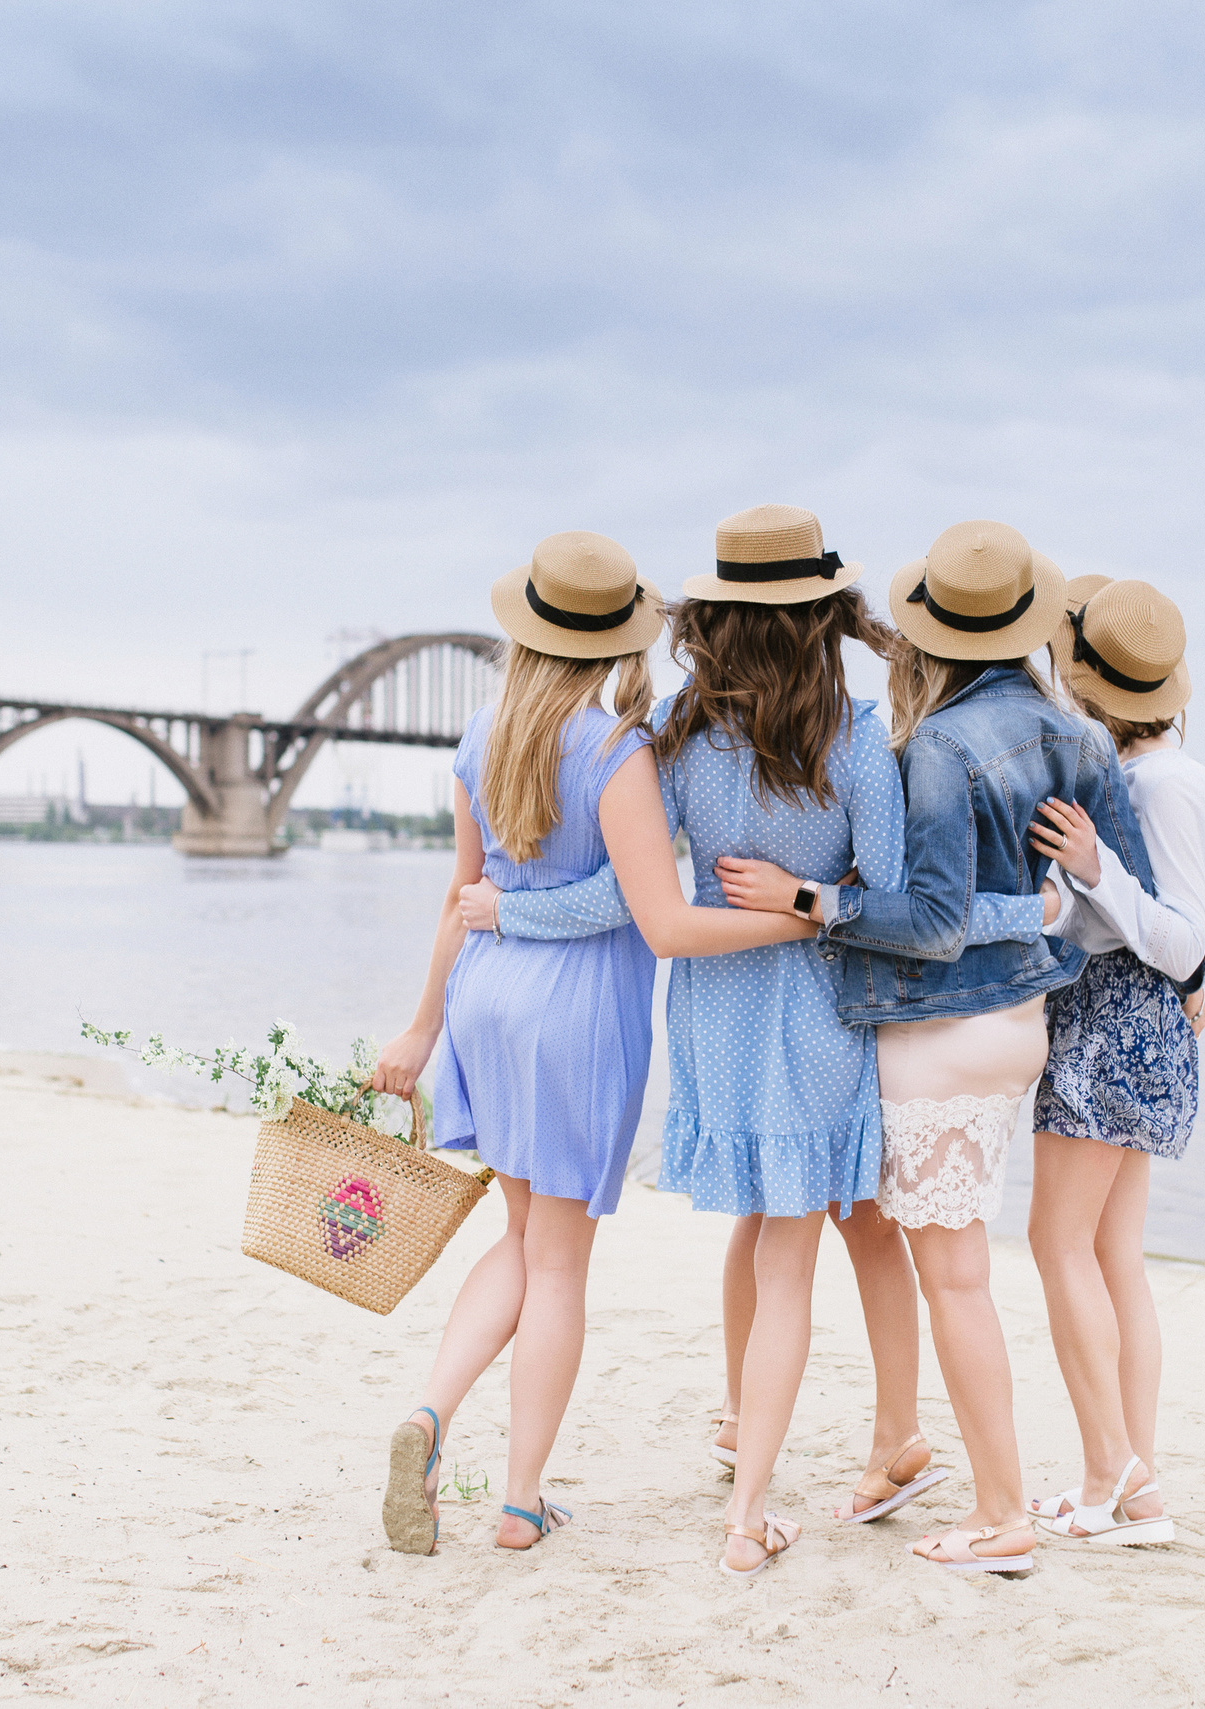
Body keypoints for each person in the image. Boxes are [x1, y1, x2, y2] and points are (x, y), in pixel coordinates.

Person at [460, 504, 1058, 1575]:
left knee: (754, 1229)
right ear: (826, 613)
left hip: (710, 1014)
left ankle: (748, 1422)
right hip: (818, 1010)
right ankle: (747, 1514)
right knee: (791, 1252)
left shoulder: (675, 730)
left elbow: (624, 896)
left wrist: (509, 912)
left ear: (720, 618)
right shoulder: (856, 738)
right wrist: (828, 899)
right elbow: (885, 895)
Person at [719, 520, 1155, 1573]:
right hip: (1020, 1027)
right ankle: (910, 1447)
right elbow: (1117, 897)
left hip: (941, 1029)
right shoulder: (1080, 735)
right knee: (911, 1243)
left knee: (954, 1277)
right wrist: (1045, 916)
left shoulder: (941, 747)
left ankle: (1003, 1515)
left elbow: (927, 921)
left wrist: (809, 898)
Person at [369, 530, 815, 1557]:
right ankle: (521, 1497)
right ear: (619, 640)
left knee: (523, 1240)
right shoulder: (618, 747)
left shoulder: (481, 733)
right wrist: (801, 916)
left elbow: (461, 894)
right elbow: (646, 907)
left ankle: (431, 1412)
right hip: (573, 1013)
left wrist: (422, 1021)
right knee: (560, 1262)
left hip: (484, 998)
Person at [1019, 575, 1205, 1547]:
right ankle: (1130, 1488)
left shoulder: (1159, 783)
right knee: (1110, 1257)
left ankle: (1115, 1471)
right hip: (1125, 1024)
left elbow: (1180, 941)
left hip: (1113, 1029)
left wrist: (1096, 869)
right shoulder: (1142, 770)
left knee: (1058, 1247)